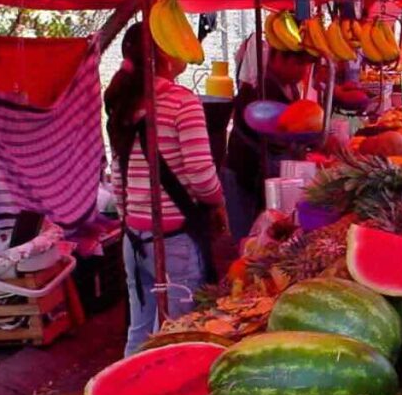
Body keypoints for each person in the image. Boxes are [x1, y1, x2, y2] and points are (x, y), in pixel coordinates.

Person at [104, 23, 227, 356]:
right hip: (175, 242)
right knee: (179, 333)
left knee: (140, 328)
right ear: (164, 54)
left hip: (133, 240)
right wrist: (218, 203)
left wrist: (132, 220)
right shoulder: (181, 102)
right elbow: (202, 175)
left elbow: (118, 176)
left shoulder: (123, 103)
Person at [223, 48, 315, 242]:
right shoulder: (260, 89)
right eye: (298, 64)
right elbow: (273, 134)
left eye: (306, 65)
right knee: (248, 237)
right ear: (279, 59)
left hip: (264, 174)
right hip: (245, 174)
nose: (304, 71)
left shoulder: (290, 87)